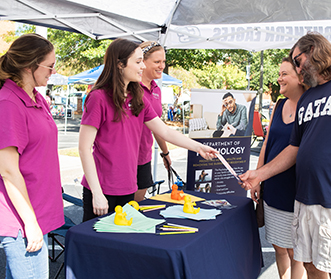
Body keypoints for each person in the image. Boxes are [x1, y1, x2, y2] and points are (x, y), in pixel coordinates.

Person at [240, 32, 331, 279]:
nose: (297, 67)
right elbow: (294, 149)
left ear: (313, 51)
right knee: (311, 267)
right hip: (304, 199)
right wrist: (259, 174)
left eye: (297, 60)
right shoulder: (308, 97)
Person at [79, 38, 217, 221]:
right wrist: (97, 192)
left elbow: (165, 131)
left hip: (128, 186)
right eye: (138, 62)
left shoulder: (138, 98)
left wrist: (198, 147)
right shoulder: (98, 98)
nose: (142, 67)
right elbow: (83, 148)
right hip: (101, 189)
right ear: (120, 64)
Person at [0, 33, 64, 278]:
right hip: (22, 219)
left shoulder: (38, 98)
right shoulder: (8, 103)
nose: (53, 71)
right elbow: (7, 170)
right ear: (29, 66)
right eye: (49, 65)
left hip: (37, 211)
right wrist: (30, 222)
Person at [250, 57, 307, 279]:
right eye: (279, 73)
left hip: (294, 188)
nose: (279, 78)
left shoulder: (308, 107)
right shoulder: (279, 105)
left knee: (295, 250)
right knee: (278, 246)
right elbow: (266, 143)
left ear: (300, 77)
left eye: (284, 74)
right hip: (272, 185)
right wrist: (257, 177)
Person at [134, 41, 170, 202]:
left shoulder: (156, 89)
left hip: (143, 156)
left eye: (163, 61)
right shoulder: (131, 87)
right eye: (157, 62)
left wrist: (165, 153)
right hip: (125, 157)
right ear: (142, 62)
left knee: (136, 206)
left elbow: (157, 126)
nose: (161, 66)